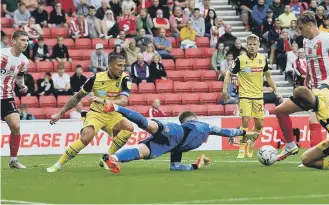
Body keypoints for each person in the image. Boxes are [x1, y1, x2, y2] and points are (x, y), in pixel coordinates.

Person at [100, 104, 257, 173]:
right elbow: (227, 132)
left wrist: (196, 166)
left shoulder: (181, 146)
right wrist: (244, 133)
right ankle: (115, 107)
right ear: (193, 118)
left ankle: (113, 158)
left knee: (141, 152)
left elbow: (175, 167)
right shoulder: (205, 126)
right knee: (148, 126)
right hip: (175, 134)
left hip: (173, 144)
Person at [275, 11, 329, 161]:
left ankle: (315, 158)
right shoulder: (306, 41)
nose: (298, 31)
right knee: (280, 110)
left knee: (314, 120)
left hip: (328, 87)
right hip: (312, 88)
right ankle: (290, 145)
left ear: (309, 25)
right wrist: (307, 79)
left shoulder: (328, 39)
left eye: (301, 28)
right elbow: (310, 62)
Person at [47, 54, 134, 172]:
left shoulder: (125, 78)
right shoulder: (96, 79)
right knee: (86, 138)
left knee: (129, 127)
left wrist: (102, 100)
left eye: (124, 65)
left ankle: (106, 158)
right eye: (119, 65)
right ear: (110, 65)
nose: (122, 68)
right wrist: (59, 113)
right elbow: (78, 96)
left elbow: (123, 101)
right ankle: (57, 165)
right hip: (96, 114)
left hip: (113, 114)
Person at [222, 34, 281, 159]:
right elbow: (228, 74)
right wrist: (224, 91)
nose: (252, 47)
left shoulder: (262, 59)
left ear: (258, 45)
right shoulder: (240, 60)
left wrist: (276, 91)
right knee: (246, 120)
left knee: (259, 124)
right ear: (246, 45)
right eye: (250, 44)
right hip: (245, 96)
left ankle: (251, 143)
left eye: (255, 44)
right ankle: (242, 147)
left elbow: (268, 76)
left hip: (258, 96)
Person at [276, 86, 329, 171]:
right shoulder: (321, 92)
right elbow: (303, 92)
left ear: (303, 105)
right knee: (306, 159)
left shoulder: (325, 116)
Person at [0, 30, 30, 169]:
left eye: (27, 40)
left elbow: (19, 77)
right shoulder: (1, 54)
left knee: (16, 126)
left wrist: (22, 86)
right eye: (23, 40)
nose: (26, 43)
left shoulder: (24, 61)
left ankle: (13, 160)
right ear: (13, 41)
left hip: (7, 96)